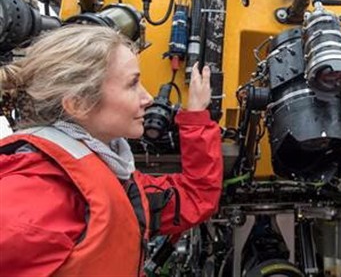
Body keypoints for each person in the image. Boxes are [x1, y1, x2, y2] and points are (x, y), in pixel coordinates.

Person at [0, 25, 223, 276]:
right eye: (132, 84)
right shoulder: (34, 198)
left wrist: (196, 118)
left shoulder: (111, 178)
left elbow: (194, 196)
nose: (148, 97)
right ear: (78, 103)